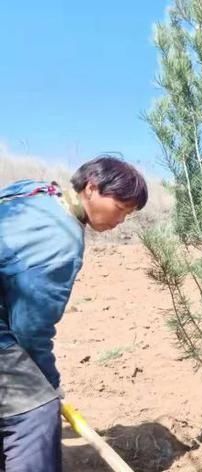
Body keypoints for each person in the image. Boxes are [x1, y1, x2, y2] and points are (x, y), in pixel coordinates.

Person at [0, 155, 148, 471]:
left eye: (129, 215)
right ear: (92, 188)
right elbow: (30, 328)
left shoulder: (35, 192)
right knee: (35, 410)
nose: (121, 221)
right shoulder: (60, 242)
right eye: (120, 209)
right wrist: (49, 382)